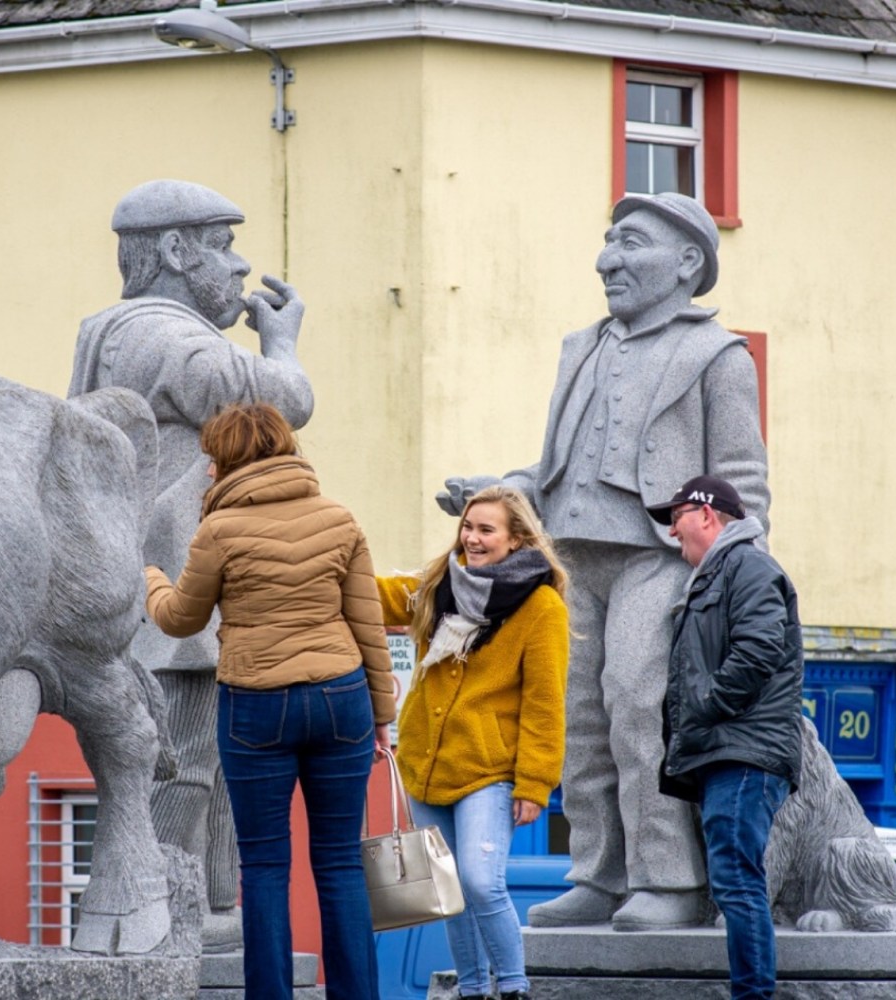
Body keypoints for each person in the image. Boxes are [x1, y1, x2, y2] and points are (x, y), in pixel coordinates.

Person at [440, 192, 768, 930]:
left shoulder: (716, 354)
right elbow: (560, 469)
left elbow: (743, 482)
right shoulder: (579, 348)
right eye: (606, 242)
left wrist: (738, 579)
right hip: (570, 561)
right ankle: (599, 873)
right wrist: (499, 489)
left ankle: (670, 881)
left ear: (687, 262)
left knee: (636, 703)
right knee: (575, 718)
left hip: (659, 560)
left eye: (629, 243)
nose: (606, 260)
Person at [71, 179, 315, 949]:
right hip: (168, 591)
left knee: (207, 762)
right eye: (223, 247)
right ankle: (160, 901)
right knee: (178, 761)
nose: (239, 269)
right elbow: (278, 402)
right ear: (175, 251)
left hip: (177, 589)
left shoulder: (131, 330)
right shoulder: (158, 331)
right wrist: (280, 342)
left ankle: (209, 906)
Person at [145, 403, 394, 1000]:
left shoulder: (218, 530)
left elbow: (181, 620)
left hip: (256, 703)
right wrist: (382, 714)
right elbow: (369, 626)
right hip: (341, 699)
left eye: (211, 458)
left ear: (227, 459)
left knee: (262, 867)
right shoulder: (338, 518)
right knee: (339, 864)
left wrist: (150, 578)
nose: (206, 471)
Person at [377, 486, 569, 1000]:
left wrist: (535, 782)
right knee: (450, 893)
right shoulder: (439, 584)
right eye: (468, 527)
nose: (473, 538)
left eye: (487, 530)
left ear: (516, 539)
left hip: (490, 771)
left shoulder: (541, 606)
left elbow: (546, 702)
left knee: (482, 882)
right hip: (424, 764)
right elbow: (374, 595)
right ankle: (468, 989)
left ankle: (512, 988)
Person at [645, 475, 801, 1000]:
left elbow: (758, 651)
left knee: (737, 880)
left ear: (707, 515)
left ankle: (752, 995)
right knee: (735, 880)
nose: (672, 532)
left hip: (742, 752)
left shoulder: (748, 566)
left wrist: (704, 709)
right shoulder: (722, 573)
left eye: (677, 517)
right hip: (729, 750)